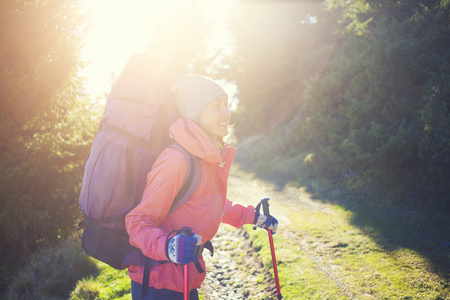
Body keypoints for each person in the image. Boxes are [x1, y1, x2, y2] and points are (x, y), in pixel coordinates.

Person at [125, 74, 278, 300]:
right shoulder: (176, 160)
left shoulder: (204, 157)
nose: (226, 112)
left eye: (226, 104)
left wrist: (253, 217)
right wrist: (169, 246)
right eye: (216, 106)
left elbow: (208, 204)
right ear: (196, 114)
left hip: (186, 278)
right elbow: (137, 222)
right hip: (159, 283)